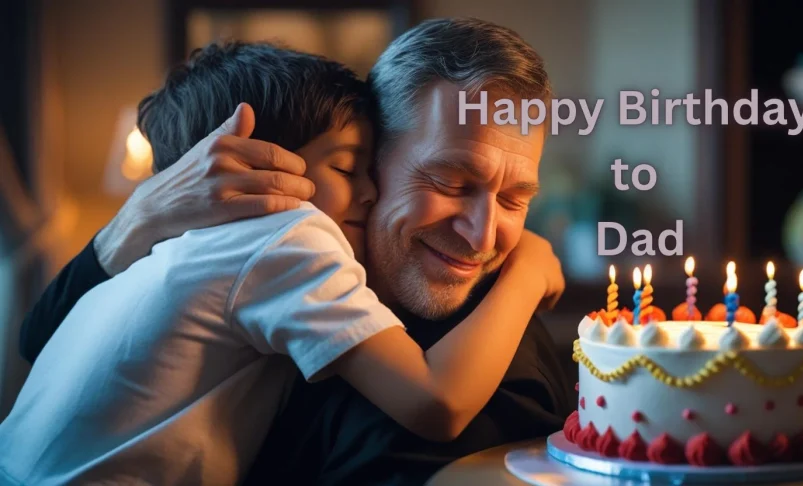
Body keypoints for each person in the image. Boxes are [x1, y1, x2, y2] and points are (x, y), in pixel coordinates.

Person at [17, 17, 575, 485]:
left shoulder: (493, 368)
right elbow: (38, 336)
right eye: (450, 183)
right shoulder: (278, 243)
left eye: (514, 199)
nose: (483, 237)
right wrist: (139, 216)